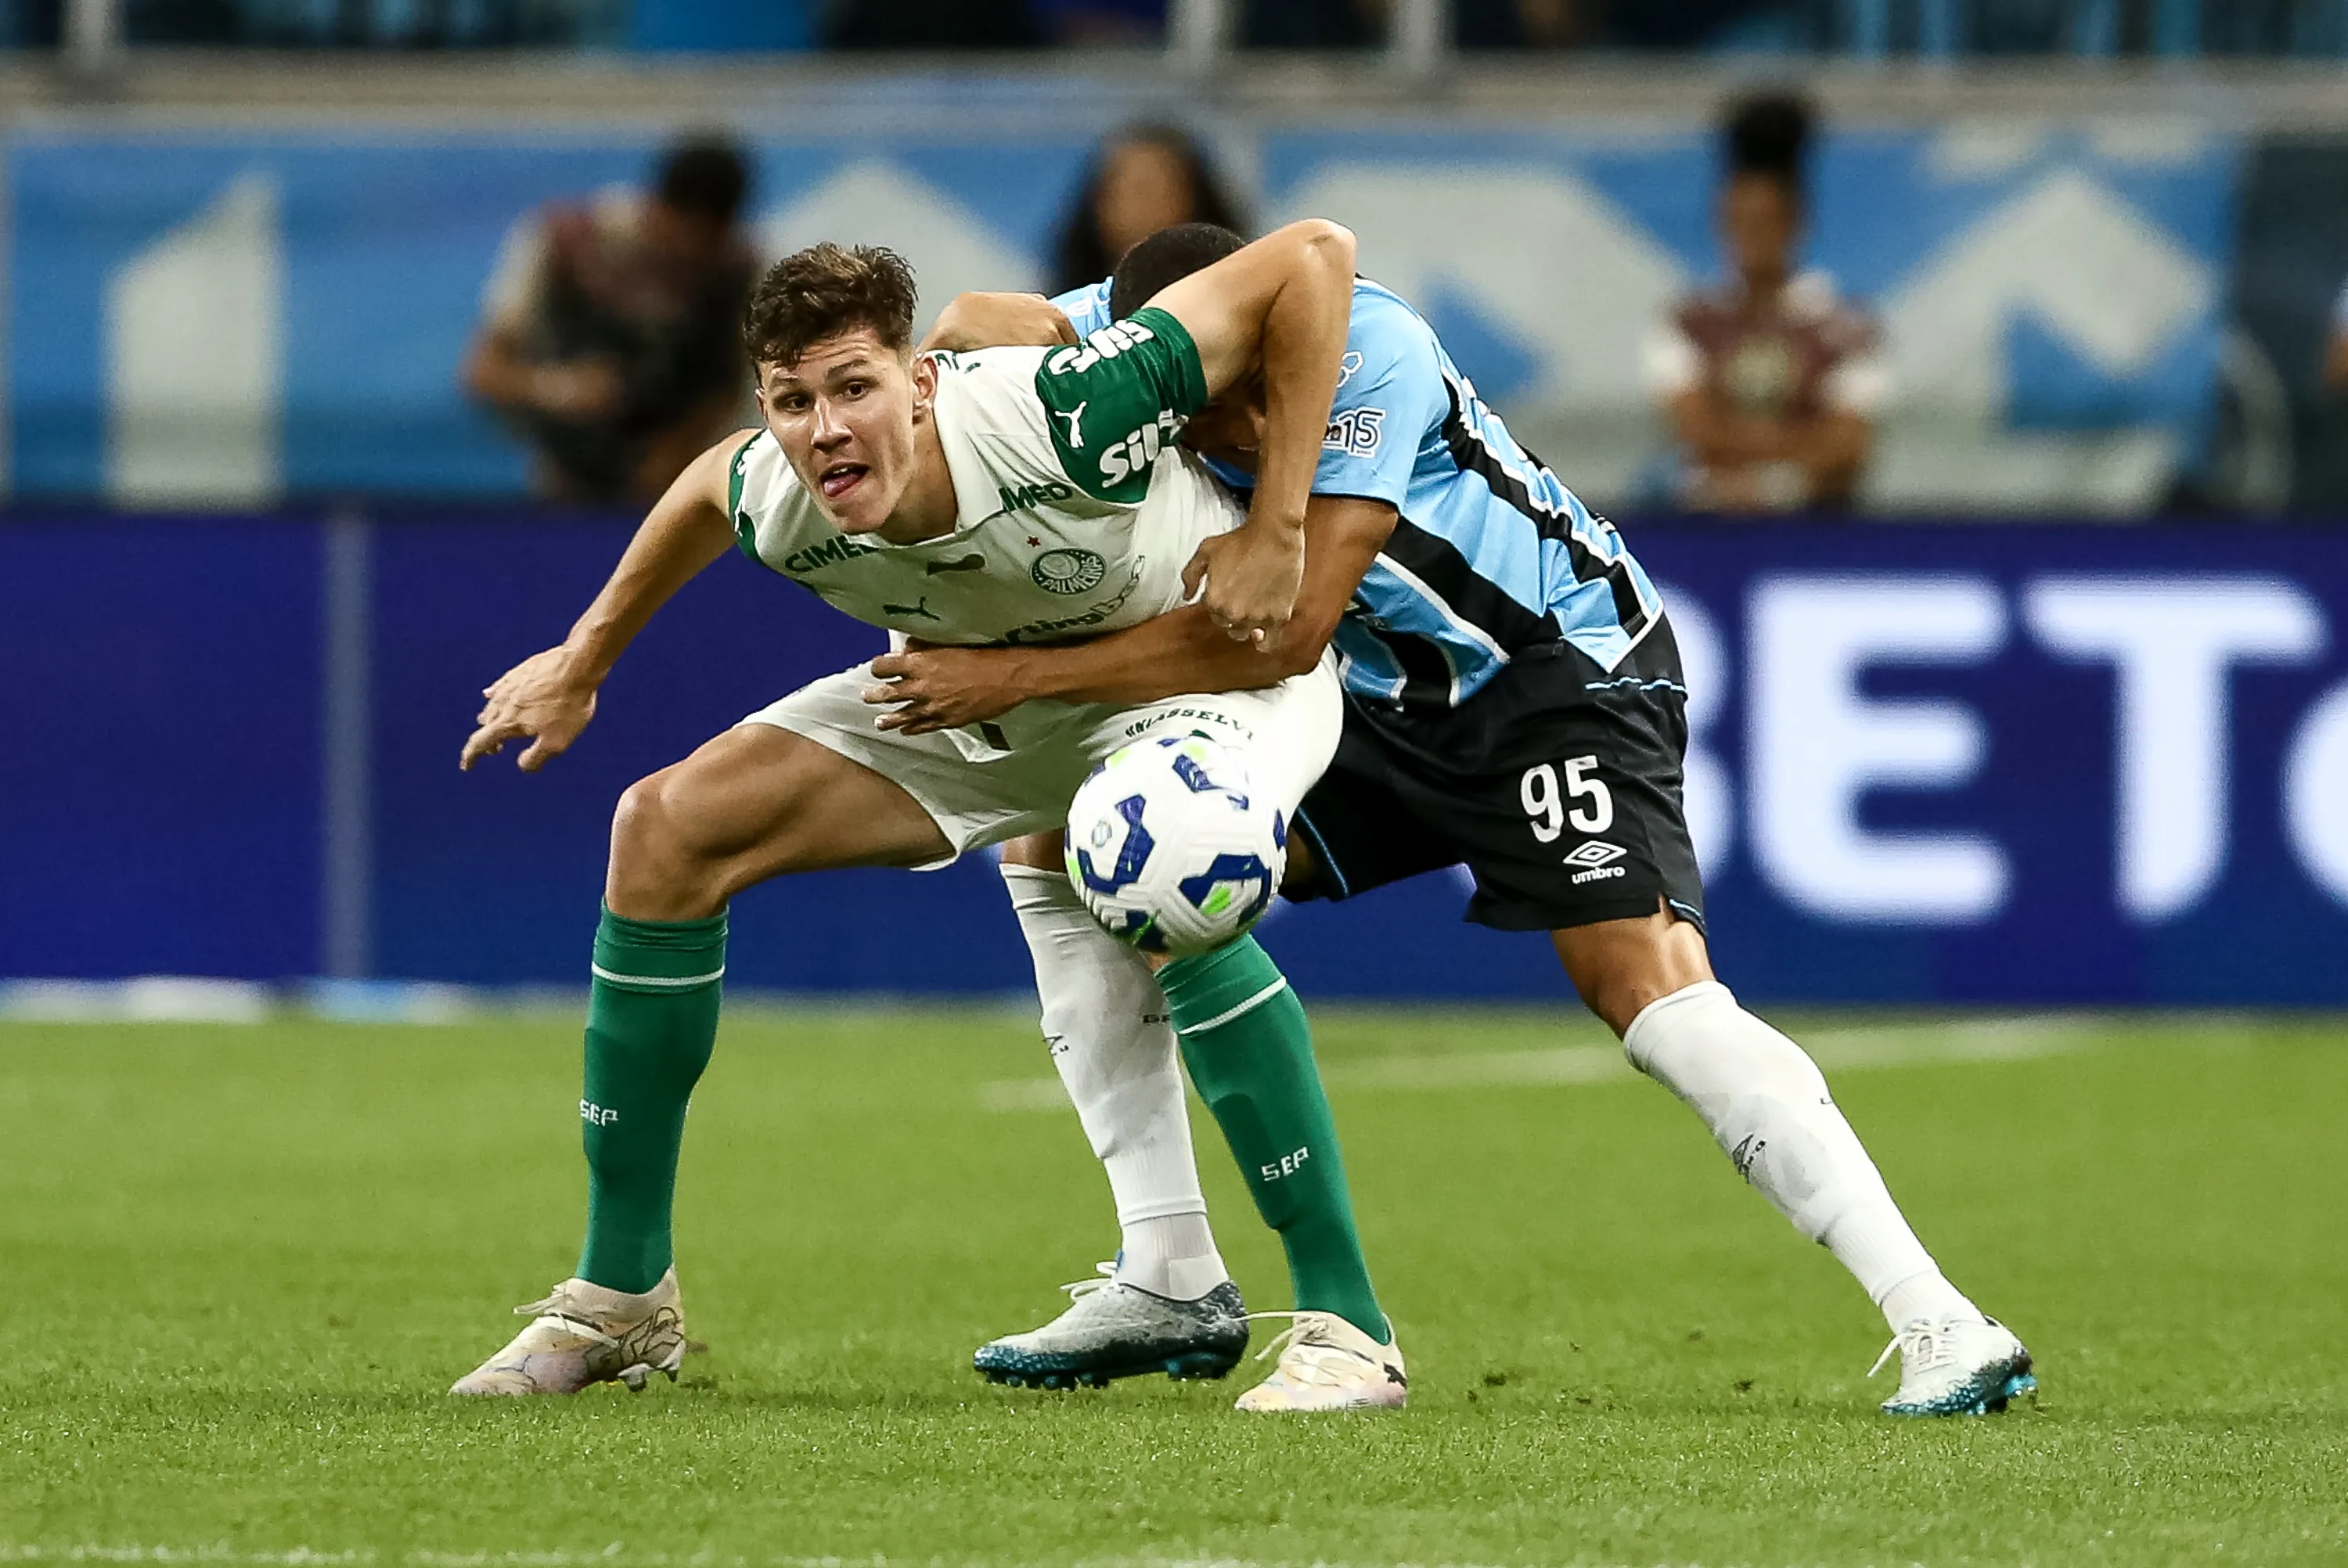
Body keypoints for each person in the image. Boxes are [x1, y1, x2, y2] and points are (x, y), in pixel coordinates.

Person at [902, 222, 2036, 1418]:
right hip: (1386, 696)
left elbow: (1286, 627)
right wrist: (1016, 347)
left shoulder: (1373, 349)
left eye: (1239, 404)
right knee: (1093, 855)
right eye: (1199, 410)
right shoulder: (1148, 341)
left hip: (1555, 668)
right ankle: (1172, 1271)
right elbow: (969, 323)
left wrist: (1017, 678)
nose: (1222, 435)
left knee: (1644, 987)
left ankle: (1940, 1320)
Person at [445, 222, 1410, 1412]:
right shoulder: (782, 487)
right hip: (987, 698)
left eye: (856, 387)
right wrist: (583, 661)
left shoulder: (1062, 415)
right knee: (665, 830)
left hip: (1199, 679)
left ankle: (1348, 1329)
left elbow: (1314, 253)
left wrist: (1277, 526)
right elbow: (705, 486)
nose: (827, 428)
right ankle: (622, 1294)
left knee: (1161, 858)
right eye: (793, 402)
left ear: (920, 382)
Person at [463, 137, 758, 505]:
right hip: (562, 485)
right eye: (680, 241)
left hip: (680, 493)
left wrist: (679, 451)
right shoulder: (564, 244)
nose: (687, 259)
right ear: (658, 208)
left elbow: (737, 389)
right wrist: (564, 390)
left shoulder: (742, 269)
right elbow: (484, 373)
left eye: (705, 249)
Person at [1644, 92, 1885, 513]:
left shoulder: (1847, 326)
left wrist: (1766, 483)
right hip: (1709, 530)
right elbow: (1694, 431)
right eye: (1740, 221)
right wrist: (1799, 452)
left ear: (1796, 221)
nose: (1751, 238)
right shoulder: (1686, 322)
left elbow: (1849, 444)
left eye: (1765, 221)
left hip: (1816, 532)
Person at [1050, 124, 1248, 297]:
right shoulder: (1064, 317)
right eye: (1127, 190)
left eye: (1157, 191)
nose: (1142, 209)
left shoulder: (1239, 306)